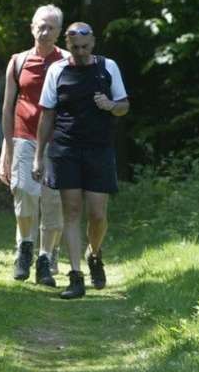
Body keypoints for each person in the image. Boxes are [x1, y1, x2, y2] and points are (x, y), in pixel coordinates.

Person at [35, 22, 129, 299]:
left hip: (99, 149)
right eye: (75, 47)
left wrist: (110, 105)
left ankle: (94, 253)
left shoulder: (107, 67)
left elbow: (124, 105)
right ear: (68, 45)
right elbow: (47, 115)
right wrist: (39, 156)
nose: (80, 52)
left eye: (85, 47)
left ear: (93, 43)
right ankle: (75, 276)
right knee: (72, 211)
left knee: (98, 214)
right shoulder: (57, 70)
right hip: (65, 149)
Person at [0, 5, 68, 287]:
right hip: (23, 137)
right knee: (24, 193)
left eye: (51, 27)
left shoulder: (67, 61)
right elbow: (7, 107)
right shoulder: (18, 61)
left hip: (58, 141)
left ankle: (46, 259)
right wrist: (6, 149)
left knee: (53, 201)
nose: (45, 31)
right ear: (32, 28)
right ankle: (25, 246)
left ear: (59, 32)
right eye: (41, 26)